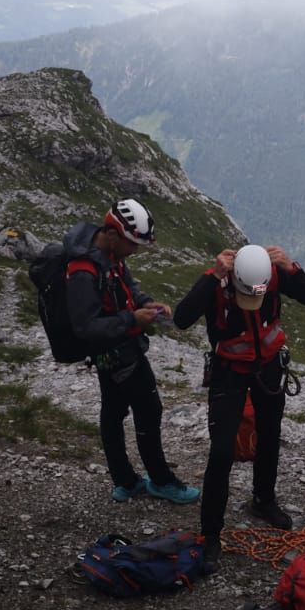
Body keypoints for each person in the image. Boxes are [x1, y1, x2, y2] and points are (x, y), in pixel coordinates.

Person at [174, 243, 305, 570]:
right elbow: (182, 318)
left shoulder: (273, 275)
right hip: (228, 372)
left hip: (269, 367)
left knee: (270, 435)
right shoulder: (219, 281)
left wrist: (290, 267)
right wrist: (211, 277)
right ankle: (210, 533)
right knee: (222, 451)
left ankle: (263, 499)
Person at [65, 199, 199, 505]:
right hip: (119, 352)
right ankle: (162, 481)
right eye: (131, 243)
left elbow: (126, 287)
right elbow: (85, 326)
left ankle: (125, 481)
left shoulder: (107, 257)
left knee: (112, 414)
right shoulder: (83, 271)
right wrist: (131, 319)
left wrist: (147, 304)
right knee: (149, 411)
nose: (134, 251)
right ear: (112, 233)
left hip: (111, 352)